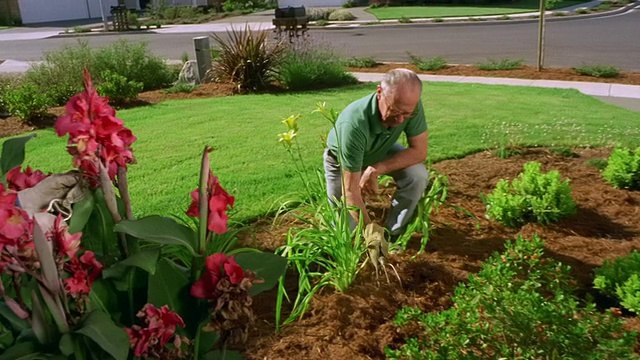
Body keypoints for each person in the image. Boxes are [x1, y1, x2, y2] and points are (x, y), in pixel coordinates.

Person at [324, 68, 429, 242]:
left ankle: (392, 234)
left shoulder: (411, 107)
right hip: (341, 162)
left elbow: (419, 151)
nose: (401, 120)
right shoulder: (354, 125)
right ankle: (359, 248)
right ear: (379, 92)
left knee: (417, 175)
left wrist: (378, 168)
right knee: (346, 230)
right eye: (395, 111)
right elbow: (350, 191)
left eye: (407, 114)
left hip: (381, 150)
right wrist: (372, 235)